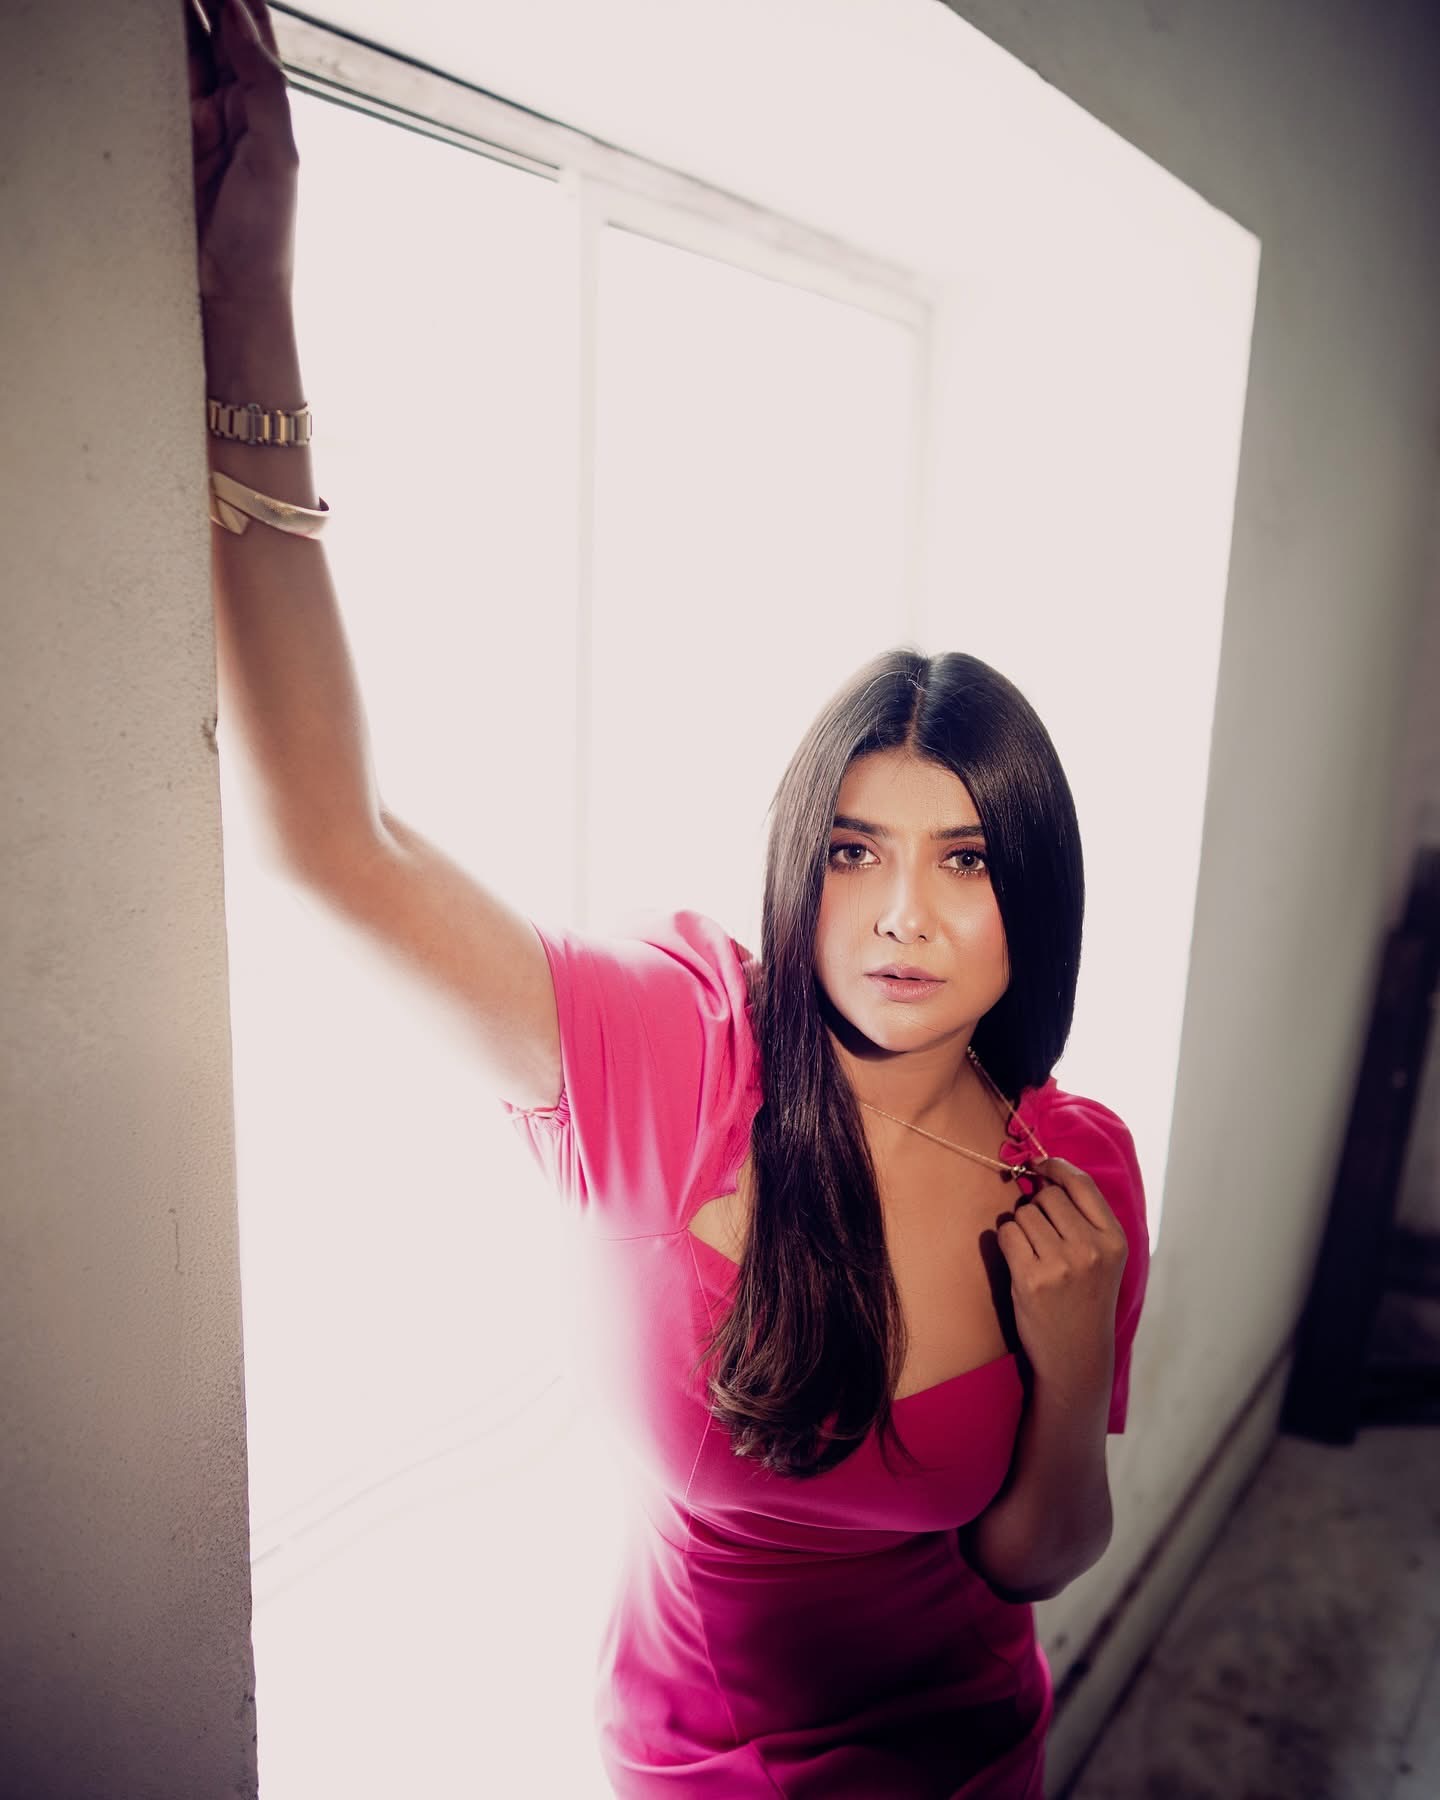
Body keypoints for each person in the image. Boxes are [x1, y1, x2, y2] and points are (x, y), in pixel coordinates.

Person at [188, 2, 1150, 1793]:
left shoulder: (1075, 1171)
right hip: (691, 1768)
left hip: (967, 1756)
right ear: (795, 866)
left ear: (1036, 895)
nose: (903, 915)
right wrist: (248, 297)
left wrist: (1074, 1340)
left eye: (966, 859)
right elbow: (331, 845)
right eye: (854, 850)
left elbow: (1037, 1558)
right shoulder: (674, 1060)